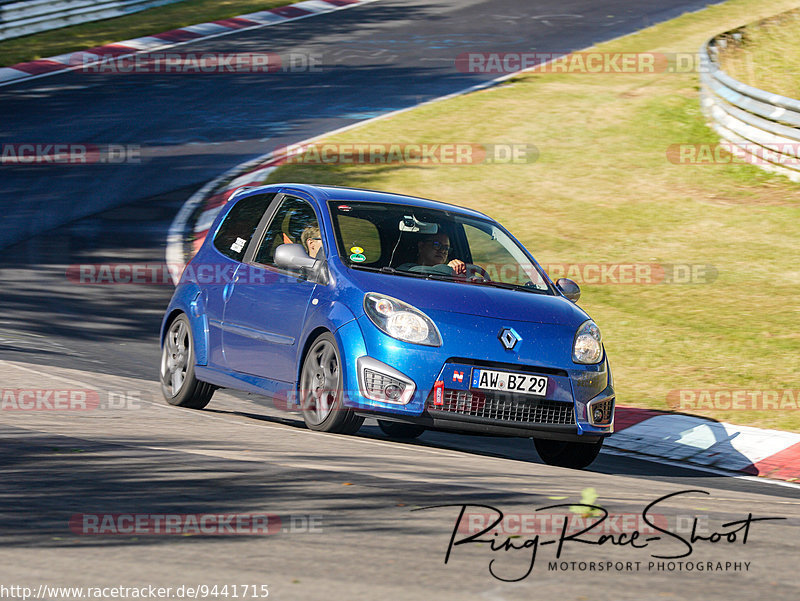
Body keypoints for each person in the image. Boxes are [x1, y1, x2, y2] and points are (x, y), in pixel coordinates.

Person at [399, 232, 466, 275]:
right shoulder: (405, 270)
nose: (442, 251)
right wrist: (448, 269)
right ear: (421, 246)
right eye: (436, 245)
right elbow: (416, 271)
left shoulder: (450, 274)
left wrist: (462, 270)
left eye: (446, 248)